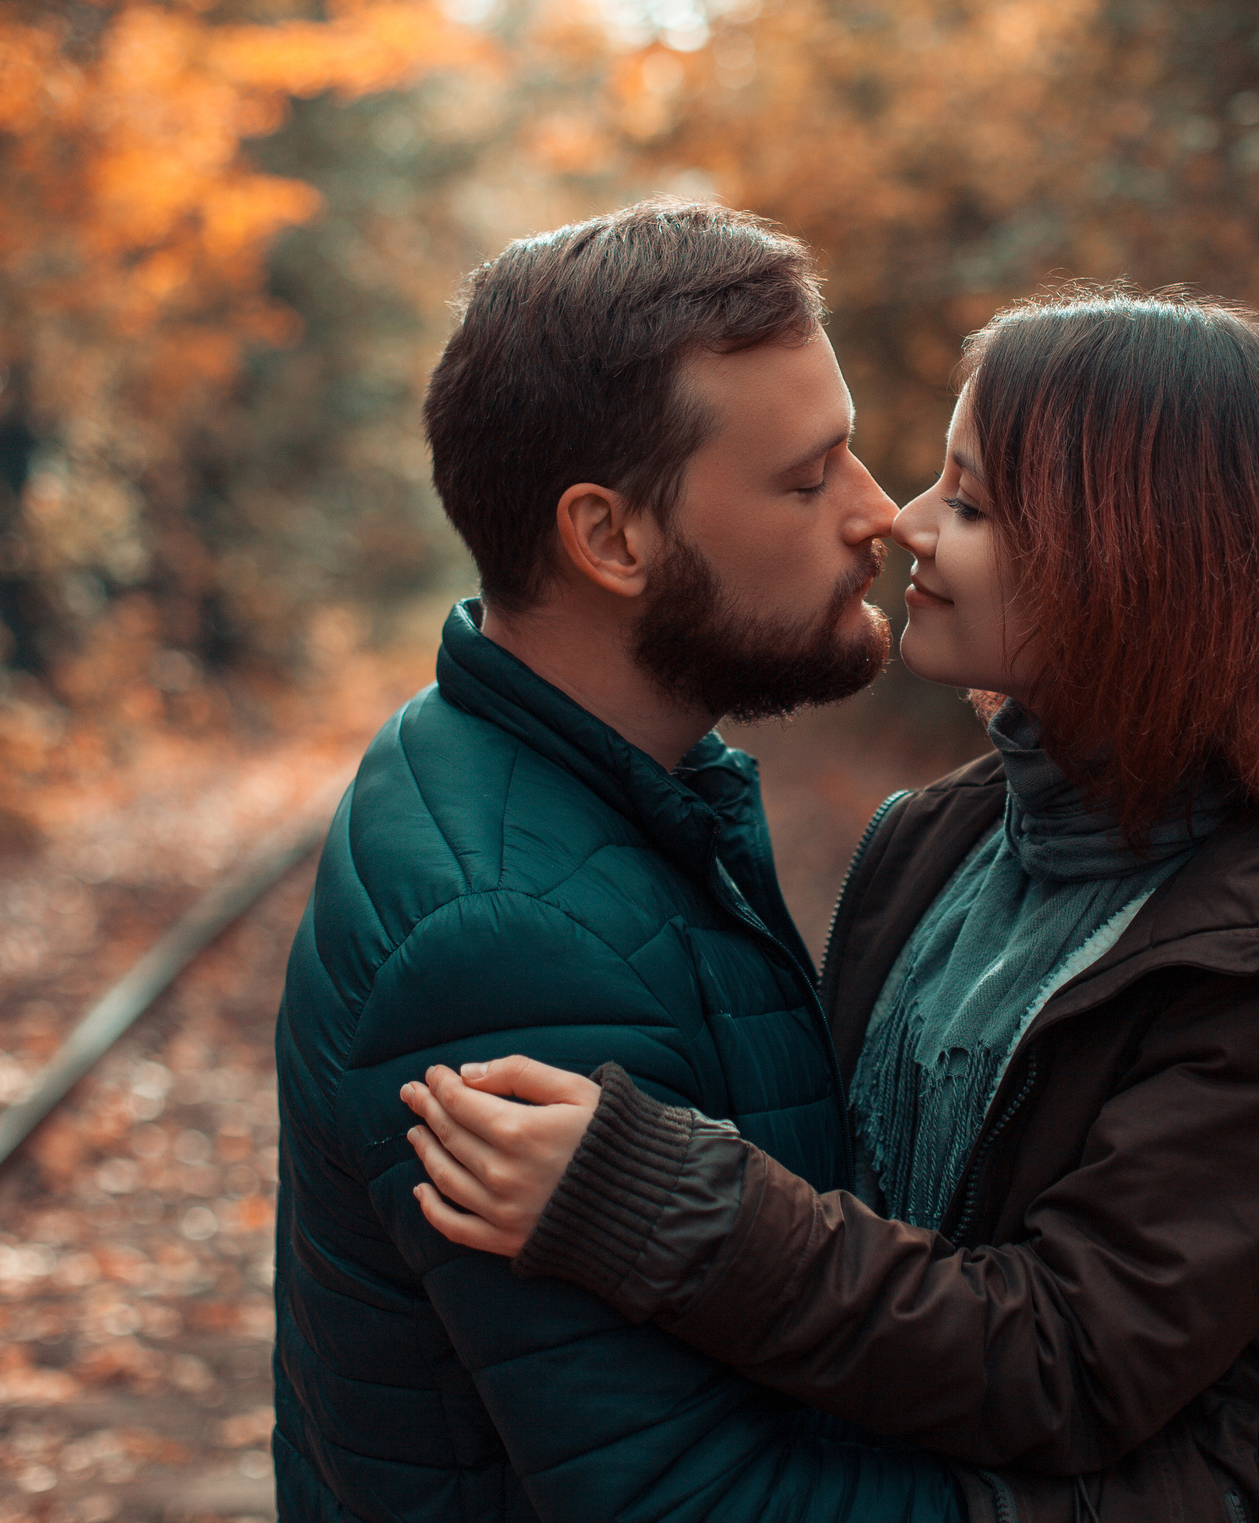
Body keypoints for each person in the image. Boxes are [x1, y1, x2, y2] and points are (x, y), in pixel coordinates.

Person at [398, 286, 1259, 1521]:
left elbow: (1071, 1357)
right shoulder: (937, 843)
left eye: (972, 503)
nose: (903, 523)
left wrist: (665, 1206)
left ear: (1138, 560)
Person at [271, 199, 990, 1523]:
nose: (878, 514)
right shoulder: (505, 935)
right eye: (804, 475)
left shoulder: (588, 778)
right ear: (610, 538)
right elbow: (694, 1496)